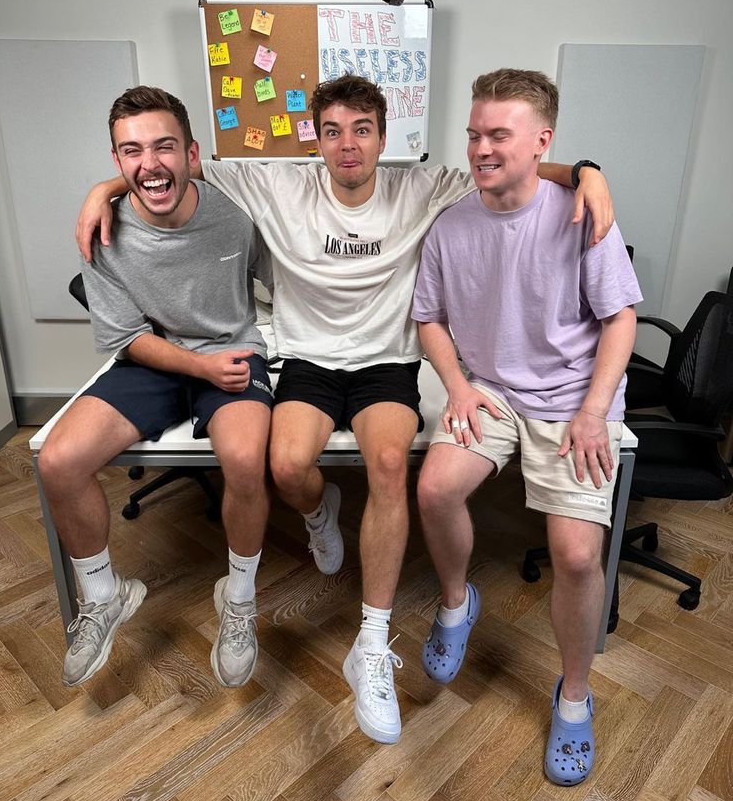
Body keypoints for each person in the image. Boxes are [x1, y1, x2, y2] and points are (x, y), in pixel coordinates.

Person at [76, 74, 614, 745]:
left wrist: (586, 173)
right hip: (307, 359)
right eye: (333, 131)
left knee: (391, 464)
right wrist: (101, 190)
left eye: (362, 130)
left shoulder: (420, 186)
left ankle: (370, 642)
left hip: (386, 361)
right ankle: (318, 508)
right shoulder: (274, 185)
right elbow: (169, 167)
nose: (348, 145)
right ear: (317, 140)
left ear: (384, 139)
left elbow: (511, 166)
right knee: (288, 467)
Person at [412, 68, 641, 783]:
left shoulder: (580, 210)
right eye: (475, 133)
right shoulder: (451, 224)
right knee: (435, 489)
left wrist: (595, 412)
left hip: (574, 396)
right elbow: (429, 319)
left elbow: (621, 319)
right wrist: (455, 385)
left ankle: (574, 697)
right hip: (490, 392)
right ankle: (458, 604)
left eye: (498, 135)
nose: (480, 148)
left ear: (542, 142)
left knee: (575, 556)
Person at [39, 86, 274, 690]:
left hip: (232, 351)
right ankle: (103, 594)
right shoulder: (102, 229)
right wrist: (199, 369)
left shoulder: (238, 208)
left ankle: (239, 599)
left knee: (246, 458)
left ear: (192, 153)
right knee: (59, 460)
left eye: (165, 146)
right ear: (117, 162)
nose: (150, 164)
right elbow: (127, 337)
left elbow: (288, 276)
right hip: (151, 360)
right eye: (132, 152)